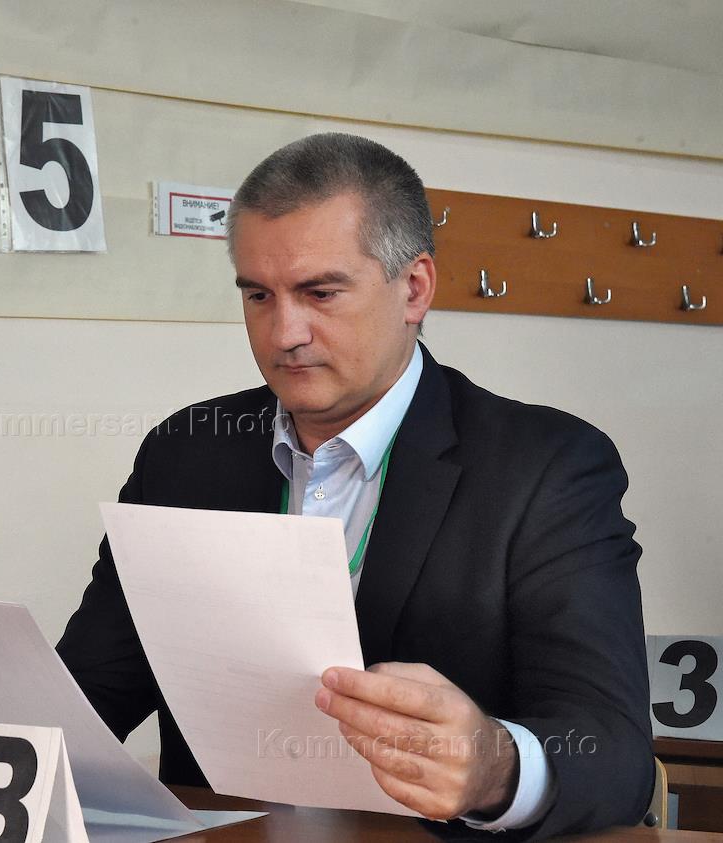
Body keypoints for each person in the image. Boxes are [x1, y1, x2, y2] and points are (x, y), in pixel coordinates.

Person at [56, 133, 652, 840]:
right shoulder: (184, 452)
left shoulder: (546, 468)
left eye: (321, 293)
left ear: (414, 288)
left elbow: (613, 754)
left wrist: (494, 767)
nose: (285, 333)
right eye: (258, 295)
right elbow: (88, 696)